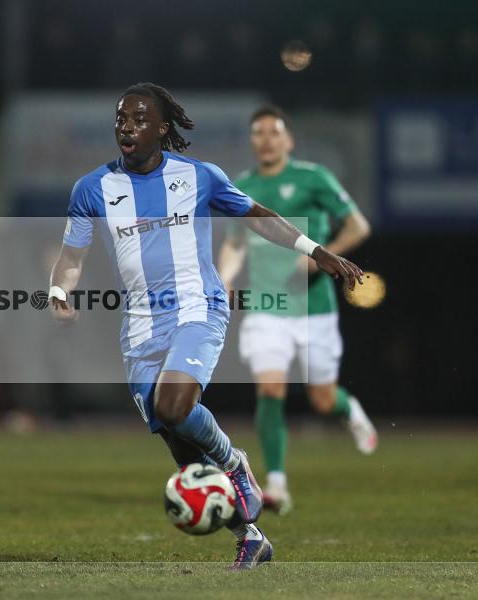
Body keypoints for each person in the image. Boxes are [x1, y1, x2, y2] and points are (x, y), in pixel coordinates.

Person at [47, 84, 363, 569]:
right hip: (138, 327)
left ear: (161, 129)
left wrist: (318, 252)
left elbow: (259, 217)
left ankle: (236, 464)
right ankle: (251, 537)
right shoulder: (93, 188)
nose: (126, 127)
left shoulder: (199, 177)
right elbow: (72, 256)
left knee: (174, 405)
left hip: (199, 307)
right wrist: (59, 292)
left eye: (138, 119)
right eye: (120, 119)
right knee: (181, 445)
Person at [218, 105, 377, 516]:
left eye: (275, 132)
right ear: (252, 142)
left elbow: (358, 225)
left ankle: (349, 409)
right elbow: (235, 242)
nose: (267, 139)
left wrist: (325, 257)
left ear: (288, 140)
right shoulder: (243, 186)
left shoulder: (313, 178)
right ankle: (276, 484)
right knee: (270, 388)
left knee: (323, 399)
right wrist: (226, 276)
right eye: (259, 133)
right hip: (266, 305)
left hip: (315, 307)